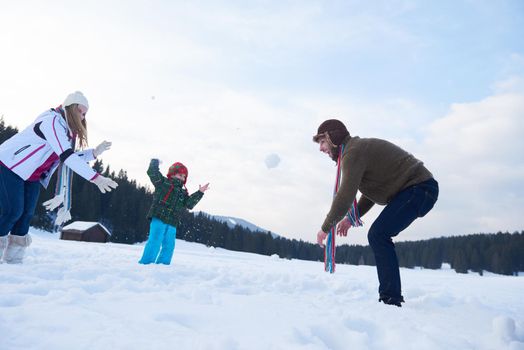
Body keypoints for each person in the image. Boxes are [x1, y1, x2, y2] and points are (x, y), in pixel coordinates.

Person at [313, 119, 439, 307]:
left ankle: (390, 298)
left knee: (378, 234)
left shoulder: (353, 152)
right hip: (418, 189)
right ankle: (390, 296)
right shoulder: (355, 150)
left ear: (334, 137)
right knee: (379, 234)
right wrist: (350, 218)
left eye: (322, 141)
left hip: (419, 188)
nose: (321, 148)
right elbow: (372, 192)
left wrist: (326, 227)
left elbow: (345, 195)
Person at [0, 91, 118, 264]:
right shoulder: (52, 121)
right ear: (70, 107)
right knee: (13, 211)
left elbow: (63, 159)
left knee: (26, 214)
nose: (83, 116)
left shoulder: (65, 130)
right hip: (10, 164)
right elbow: (67, 156)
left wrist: (93, 153)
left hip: (31, 175)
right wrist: (96, 178)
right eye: (81, 111)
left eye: (85, 113)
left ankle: (14, 259)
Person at [139, 159, 209, 265]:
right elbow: (152, 173)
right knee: (155, 241)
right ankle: (146, 264)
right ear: (172, 174)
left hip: (172, 221)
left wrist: (199, 193)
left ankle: (163, 265)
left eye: (184, 176)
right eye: (180, 175)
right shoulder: (162, 183)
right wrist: (155, 161)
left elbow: (189, 204)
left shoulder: (183, 192)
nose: (182, 178)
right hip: (159, 217)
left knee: (169, 245)